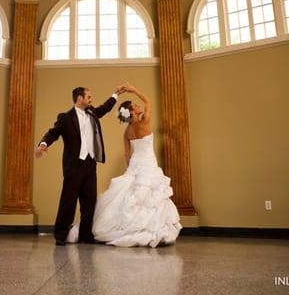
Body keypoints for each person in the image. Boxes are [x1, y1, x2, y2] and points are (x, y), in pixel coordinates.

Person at [67, 83, 182, 247]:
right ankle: (144, 230)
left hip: (135, 164)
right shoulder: (144, 123)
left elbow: (127, 154)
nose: (139, 106)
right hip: (148, 163)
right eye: (135, 105)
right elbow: (148, 101)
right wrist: (134, 90)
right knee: (151, 197)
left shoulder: (127, 132)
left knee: (130, 194)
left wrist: (131, 169)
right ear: (132, 111)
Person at [35, 85, 125, 245]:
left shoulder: (92, 113)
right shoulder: (65, 117)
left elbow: (104, 109)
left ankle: (85, 235)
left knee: (89, 202)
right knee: (68, 201)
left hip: (90, 165)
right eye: (89, 97)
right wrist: (43, 144)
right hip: (73, 166)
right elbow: (53, 133)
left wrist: (116, 94)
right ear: (79, 98)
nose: (91, 99)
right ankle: (61, 235)